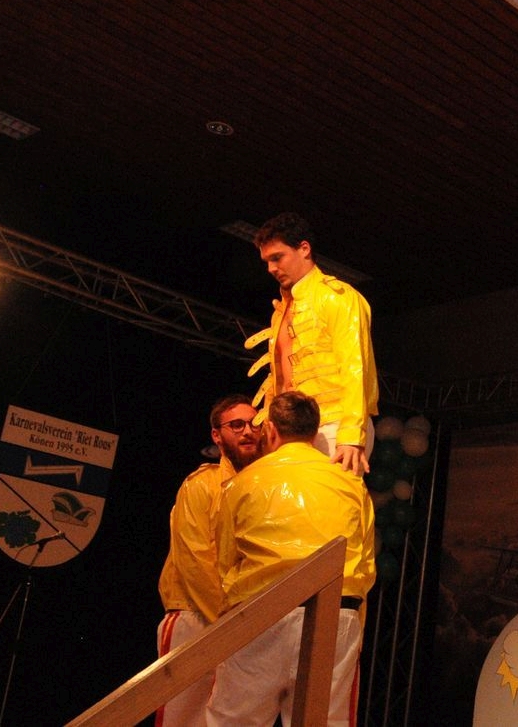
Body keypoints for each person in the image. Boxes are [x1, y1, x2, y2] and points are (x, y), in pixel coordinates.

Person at [209, 391, 376, 726]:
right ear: (315, 432)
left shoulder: (242, 483)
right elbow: (366, 564)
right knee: (324, 722)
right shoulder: (352, 485)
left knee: (233, 721)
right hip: (334, 611)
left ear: (270, 430)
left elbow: (225, 562)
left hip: (259, 610)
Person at [154, 395, 264, 727]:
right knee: (183, 719)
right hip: (196, 615)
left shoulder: (263, 486)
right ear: (217, 435)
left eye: (254, 424)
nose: (248, 431)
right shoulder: (201, 484)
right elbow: (194, 562)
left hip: (240, 621)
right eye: (237, 425)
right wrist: (231, 624)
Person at [246, 213, 379, 476]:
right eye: (267, 261)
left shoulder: (337, 297)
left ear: (304, 249)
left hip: (333, 423)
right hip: (290, 431)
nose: (271, 268)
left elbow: (356, 366)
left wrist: (351, 434)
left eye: (277, 258)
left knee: (325, 501)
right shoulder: (281, 311)